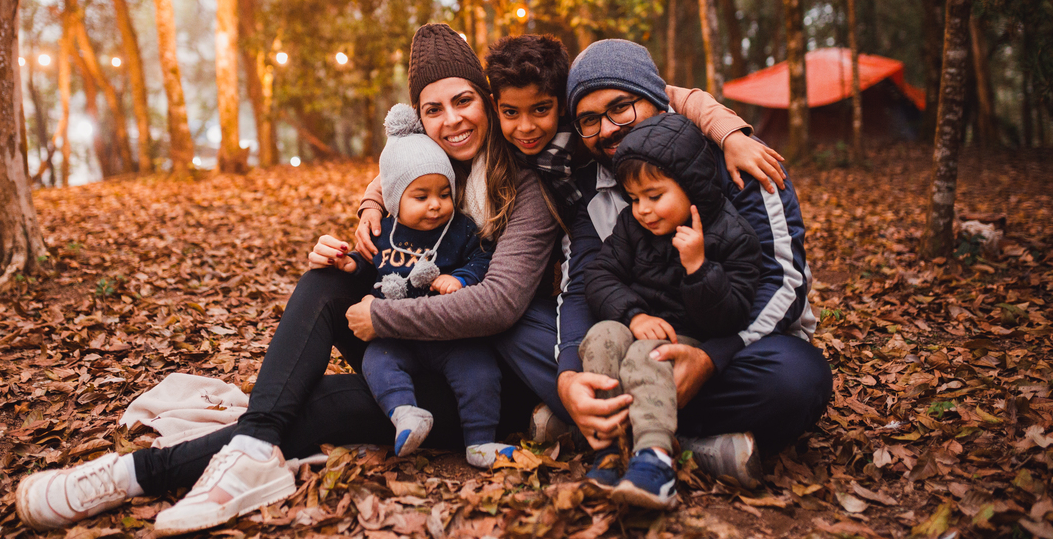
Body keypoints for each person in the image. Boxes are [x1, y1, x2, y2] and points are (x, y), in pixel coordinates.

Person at [16, 23, 563, 537]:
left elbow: (497, 305)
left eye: (464, 101)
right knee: (325, 279)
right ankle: (251, 446)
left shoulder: (525, 186)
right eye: (433, 109)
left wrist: (380, 315)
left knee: (314, 404)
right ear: (417, 120)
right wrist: (364, 225)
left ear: (487, 103)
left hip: (483, 387)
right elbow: (389, 182)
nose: (453, 121)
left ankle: (131, 476)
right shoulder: (433, 174)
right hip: (417, 353)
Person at [557, 39, 833, 490]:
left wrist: (710, 358)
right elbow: (585, 280)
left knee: (798, 379)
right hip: (636, 341)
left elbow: (782, 280)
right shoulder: (588, 185)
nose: (607, 129)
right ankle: (680, 443)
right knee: (551, 348)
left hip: (737, 346)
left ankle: (637, 434)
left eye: (620, 108)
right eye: (589, 121)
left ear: (658, 100)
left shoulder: (740, 161)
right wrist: (570, 377)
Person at [578, 114, 761, 508]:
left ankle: (654, 460)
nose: (642, 209)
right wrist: (633, 315)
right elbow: (599, 275)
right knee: (602, 336)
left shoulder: (733, 235)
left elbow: (732, 317)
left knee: (649, 354)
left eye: (654, 196)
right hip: (639, 323)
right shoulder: (632, 226)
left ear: (691, 185)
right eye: (634, 198)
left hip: (686, 342)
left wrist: (699, 268)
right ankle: (610, 449)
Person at [336, 104, 516, 468]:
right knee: (378, 360)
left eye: (444, 193)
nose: (436, 205)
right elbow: (366, 267)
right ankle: (405, 413)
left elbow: (484, 258)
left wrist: (461, 278)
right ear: (394, 201)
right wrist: (348, 264)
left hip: (451, 337)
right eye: (421, 197)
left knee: (479, 370)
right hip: (395, 337)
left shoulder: (461, 229)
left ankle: (480, 441)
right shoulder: (384, 231)